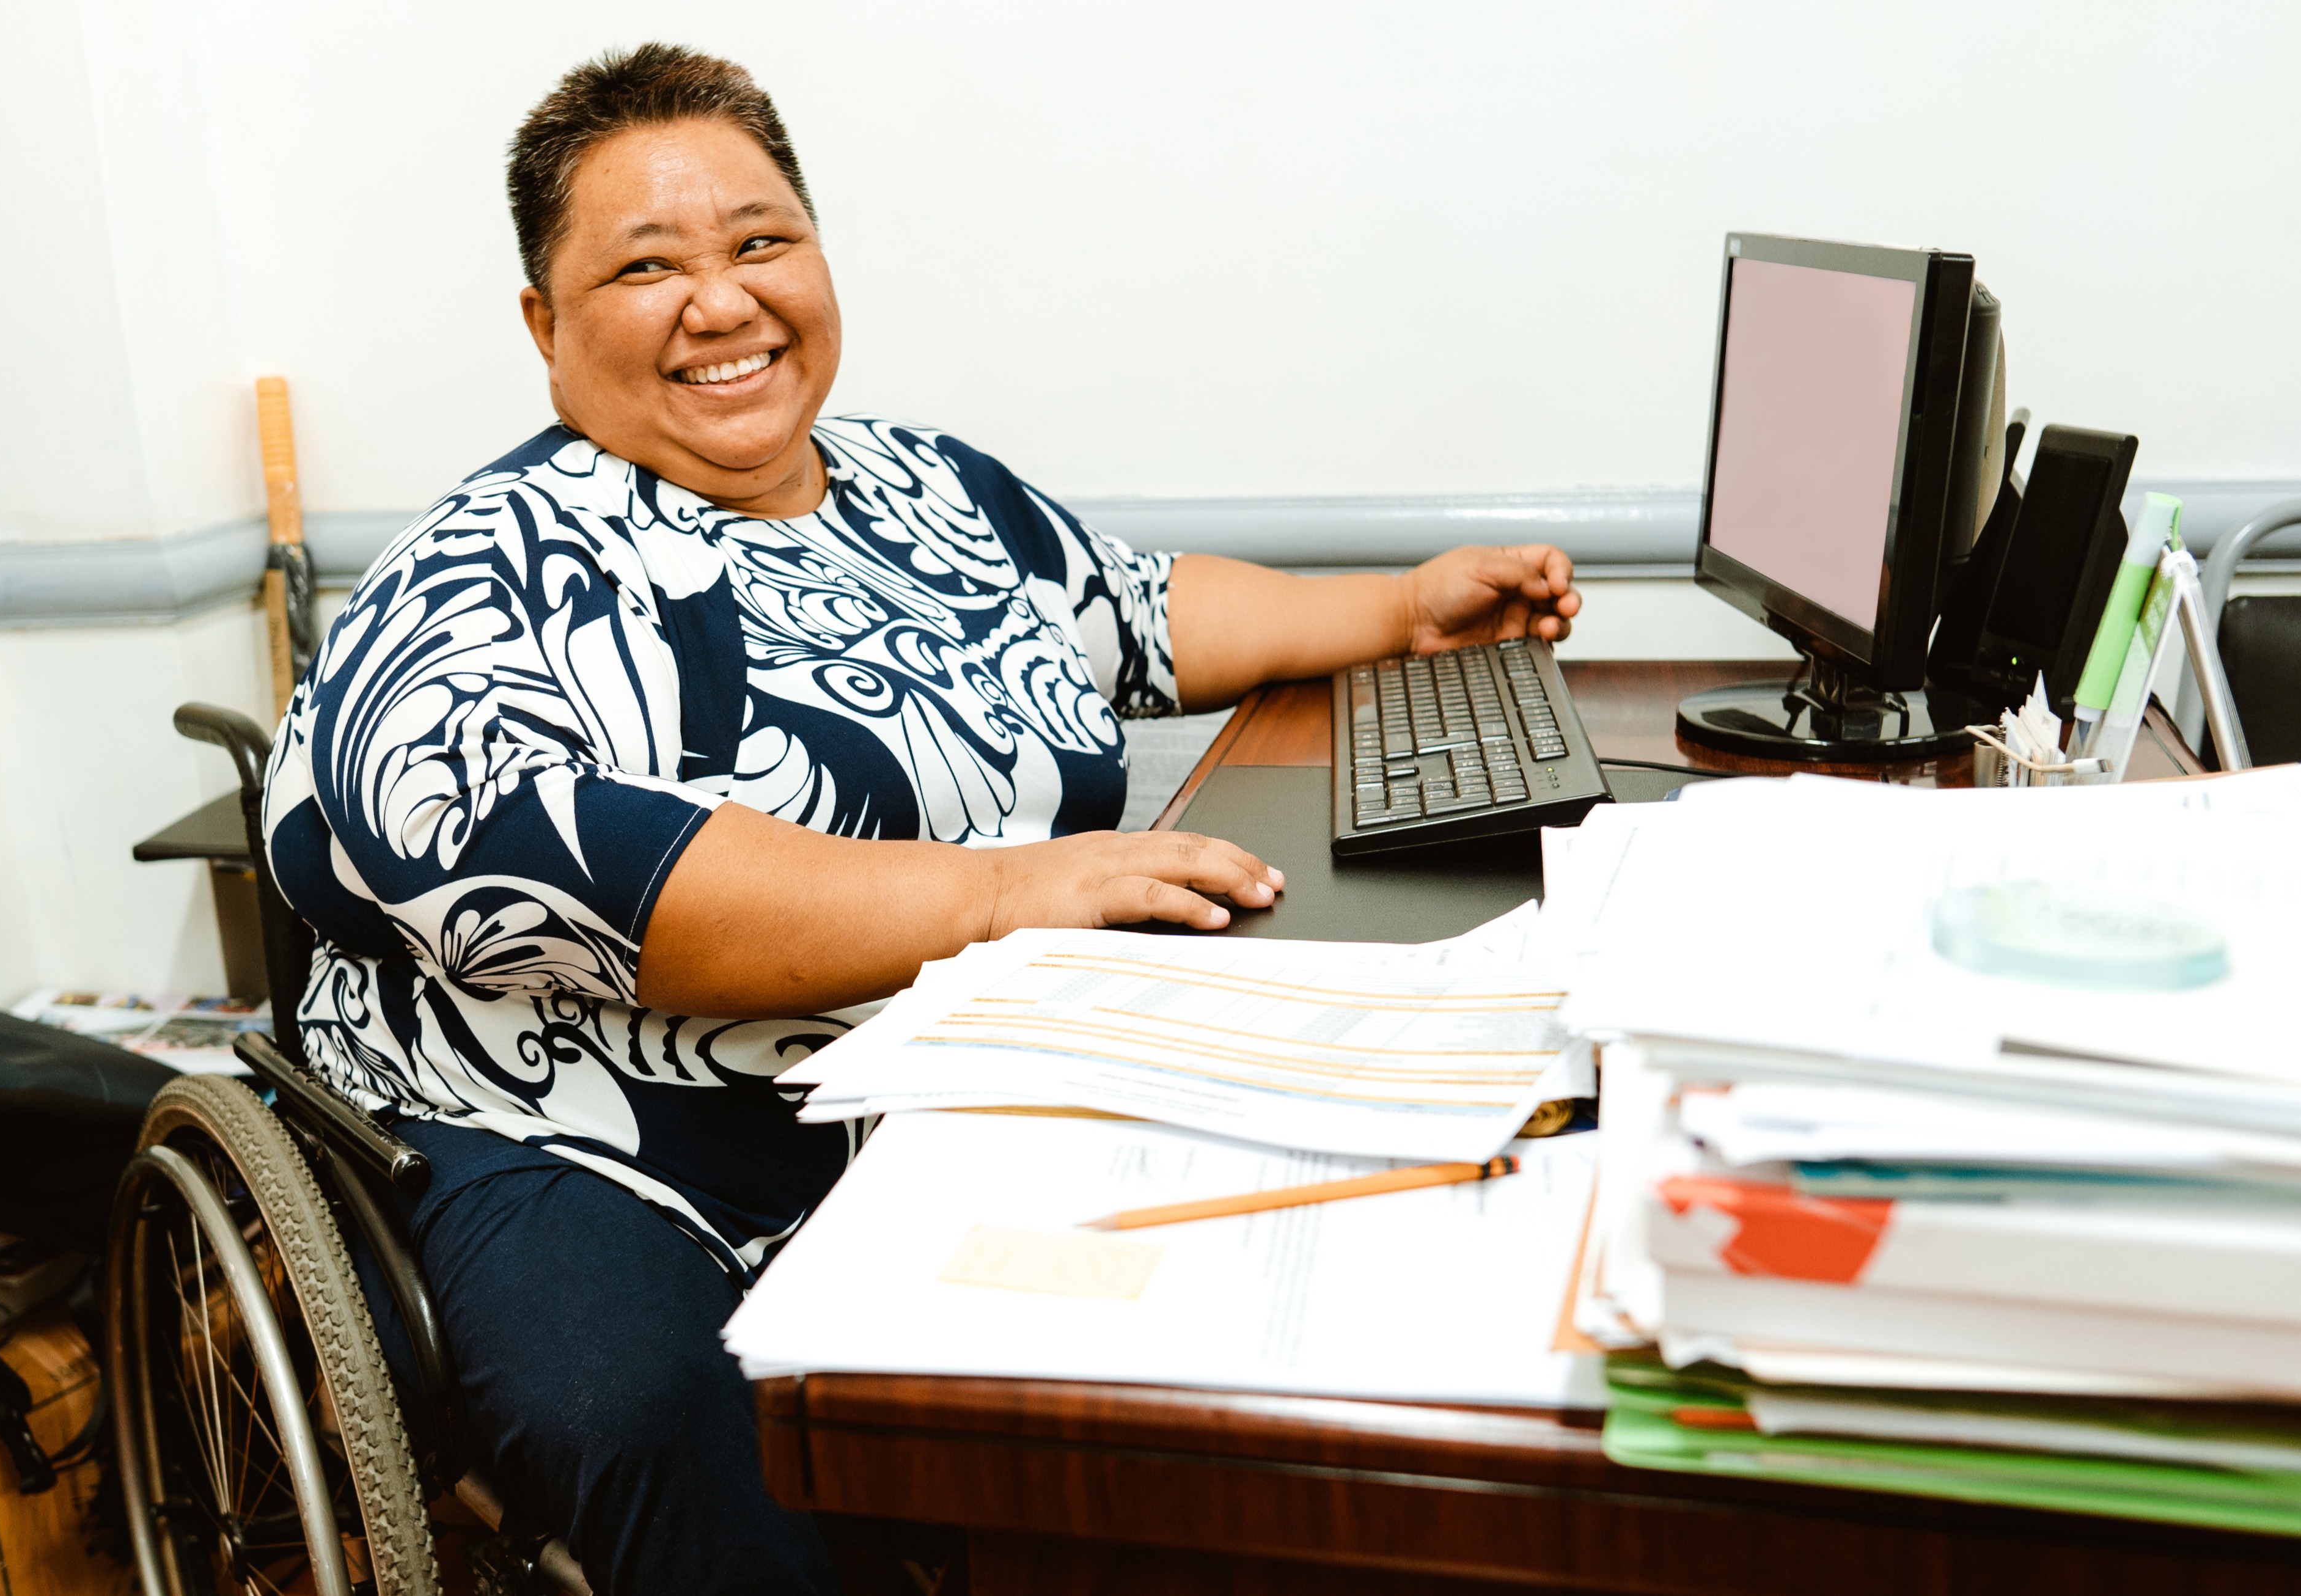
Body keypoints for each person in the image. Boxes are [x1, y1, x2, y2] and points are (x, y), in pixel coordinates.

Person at [265, 42, 1580, 1594]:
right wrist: (1004, 890)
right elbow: (594, 881)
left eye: (761, 242)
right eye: (646, 265)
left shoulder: (919, 486)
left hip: (934, 1088)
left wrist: (1399, 605)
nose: (723, 300)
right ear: (547, 327)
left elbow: (1134, 611)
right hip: (595, 1139)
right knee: (646, 1413)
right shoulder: (475, 579)